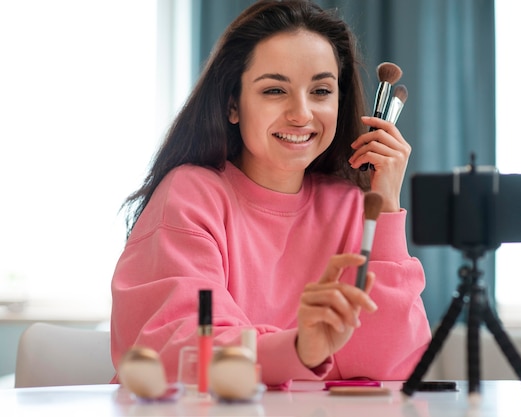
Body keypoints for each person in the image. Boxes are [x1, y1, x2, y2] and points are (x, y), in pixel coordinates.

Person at [110, 0, 430, 388]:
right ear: (233, 105)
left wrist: (387, 207)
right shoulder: (191, 194)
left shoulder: (350, 205)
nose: (302, 113)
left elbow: (394, 367)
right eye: (275, 90)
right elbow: (185, 348)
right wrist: (298, 350)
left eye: (321, 90)